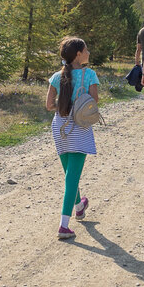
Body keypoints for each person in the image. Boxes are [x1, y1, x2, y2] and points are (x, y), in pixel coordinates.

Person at [45, 37, 100, 240]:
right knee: (71, 178)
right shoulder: (90, 75)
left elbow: (49, 105)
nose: (88, 52)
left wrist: (65, 101)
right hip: (80, 127)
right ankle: (63, 226)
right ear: (78, 54)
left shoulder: (56, 77)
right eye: (86, 49)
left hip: (60, 127)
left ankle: (79, 206)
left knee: (70, 174)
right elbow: (94, 101)